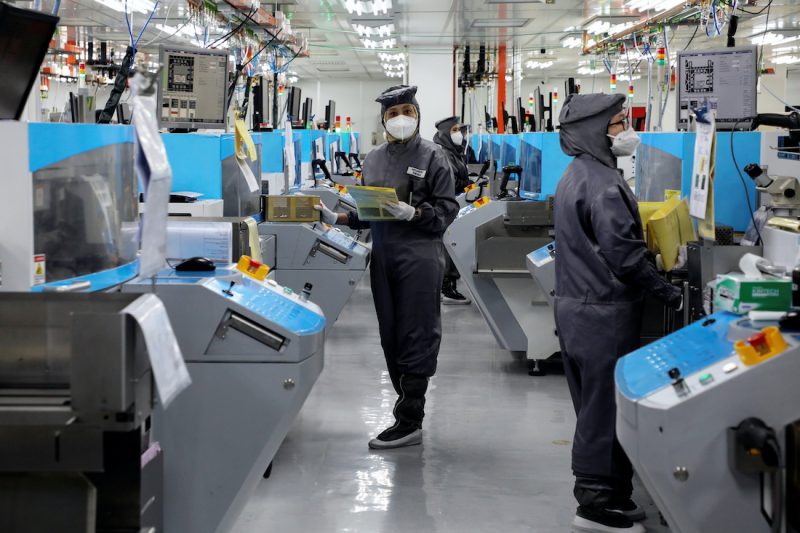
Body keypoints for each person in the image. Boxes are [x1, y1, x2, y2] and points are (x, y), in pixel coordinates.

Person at [553, 93, 682, 533]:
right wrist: (669, 292)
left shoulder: (577, 174)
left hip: (576, 307)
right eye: (619, 123)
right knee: (602, 408)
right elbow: (624, 255)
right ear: (595, 130)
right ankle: (595, 503)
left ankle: (611, 492)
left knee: (593, 405)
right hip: (602, 312)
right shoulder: (605, 184)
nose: (627, 131)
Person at [316, 85, 459, 450]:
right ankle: (403, 404)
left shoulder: (434, 156)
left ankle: (411, 417)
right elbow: (370, 209)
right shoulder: (374, 158)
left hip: (420, 256)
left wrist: (415, 212)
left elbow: (447, 210)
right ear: (383, 119)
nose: (400, 119)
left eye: (406, 112)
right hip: (384, 256)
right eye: (392, 114)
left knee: (417, 331)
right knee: (390, 333)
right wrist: (340, 217)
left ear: (417, 114)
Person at [433, 115, 471, 305]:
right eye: (454, 131)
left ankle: (448, 284)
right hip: (448, 205)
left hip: (455, 203)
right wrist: (467, 186)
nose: (459, 134)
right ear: (445, 134)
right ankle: (446, 287)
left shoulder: (454, 152)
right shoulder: (445, 154)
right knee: (450, 243)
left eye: (459, 130)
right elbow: (450, 182)